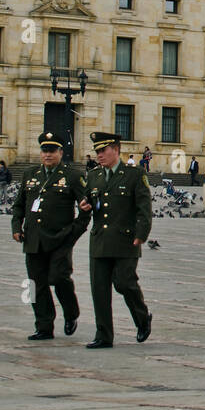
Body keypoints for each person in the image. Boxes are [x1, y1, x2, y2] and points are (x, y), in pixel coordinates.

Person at [12, 132, 90, 341]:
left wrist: (73, 233)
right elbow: (19, 204)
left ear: (60, 153)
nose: (47, 155)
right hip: (34, 238)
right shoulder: (30, 174)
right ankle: (44, 325)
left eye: (52, 151)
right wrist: (16, 227)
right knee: (35, 285)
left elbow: (86, 207)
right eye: (44, 151)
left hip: (59, 239)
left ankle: (71, 312)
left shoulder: (72, 176)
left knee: (58, 278)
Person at [79, 132, 153, 348]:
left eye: (103, 151)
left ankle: (142, 318)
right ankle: (103, 335)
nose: (99, 155)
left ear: (116, 150)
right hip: (100, 240)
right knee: (99, 289)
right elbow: (88, 200)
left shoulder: (134, 174)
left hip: (126, 240)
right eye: (97, 151)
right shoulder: (94, 176)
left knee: (124, 283)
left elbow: (143, 208)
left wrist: (141, 234)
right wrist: (84, 205)